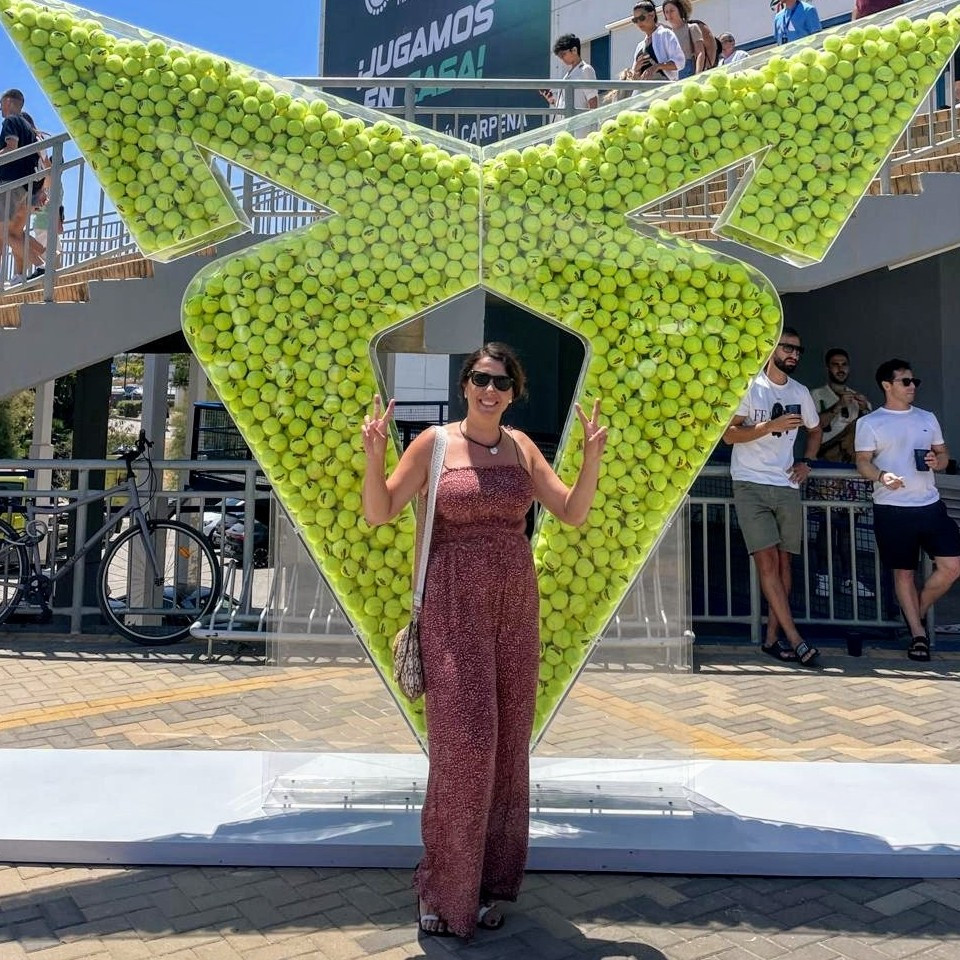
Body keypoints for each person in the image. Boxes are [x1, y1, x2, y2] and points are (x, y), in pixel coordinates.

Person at [362, 343, 606, 939]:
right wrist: (373, 455)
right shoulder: (434, 445)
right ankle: (441, 888)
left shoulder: (521, 448)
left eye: (500, 382)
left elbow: (571, 512)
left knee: (506, 749)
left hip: (514, 608)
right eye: (479, 379)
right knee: (465, 750)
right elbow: (380, 510)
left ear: (513, 392)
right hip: (452, 609)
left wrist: (592, 458)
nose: (488, 390)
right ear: (465, 385)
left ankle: (488, 882)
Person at [723, 328, 822, 666]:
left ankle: (771, 639)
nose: (794, 354)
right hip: (749, 483)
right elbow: (729, 435)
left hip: (786, 484)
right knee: (766, 561)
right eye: (787, 347)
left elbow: (815, 429)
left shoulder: (800, 391)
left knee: (784, 563)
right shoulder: (751, 387)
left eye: (798, 350)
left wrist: (807, 461)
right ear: (771, 349)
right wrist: (768, 426)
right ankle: (795, 639)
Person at [855, 359, 960, 661]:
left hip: (930, 504)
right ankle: (917, 634)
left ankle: (917, 611)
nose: (912, 386)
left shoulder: (927, 417)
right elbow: (862, 461)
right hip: (892, 508)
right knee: (903, 573)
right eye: (905, 381)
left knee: (953, 566)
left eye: (915, 381)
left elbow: (943, 455)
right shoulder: (870, 422)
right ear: (887, 386)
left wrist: (937, 462)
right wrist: (881, 476)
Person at [0, 88, 43, 283]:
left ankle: (41, 265)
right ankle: (35, 267)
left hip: (11, 183)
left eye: (1, 104)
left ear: (8, 102)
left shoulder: (11, 121)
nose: (1, 109)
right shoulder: (27, 126)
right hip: (25, 185)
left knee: (5, 234)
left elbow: (11, 147)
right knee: (11, 233)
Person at [811, 348, 872, 464]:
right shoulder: (816, 395)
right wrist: (838, 406)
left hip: (853, 460)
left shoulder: (857, 398)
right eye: (835, 364)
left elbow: (870, 432)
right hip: (825, 454)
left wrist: (864, 409)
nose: (840, 369)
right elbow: (813, 427)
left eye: (844, 364)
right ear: (828, 368)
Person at [540, 34, 598, 114]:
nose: (562, 58)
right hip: (566, 120)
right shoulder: (567, 75)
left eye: (563, 54)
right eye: (560, 56)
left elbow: (592, 99)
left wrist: (592, 120)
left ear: (574, 50)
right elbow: (564, 105)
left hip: (578, 120)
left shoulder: (585, 69)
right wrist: (552, 100)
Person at [631, 1, 685, 83]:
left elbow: (679, 62)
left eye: (641, 18)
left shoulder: (665, 34)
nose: (638, 22)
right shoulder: (640, 46)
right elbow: (634, 78)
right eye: (635, 20)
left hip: (665, 86)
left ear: (652, 15)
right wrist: (636, 69)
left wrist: (657, 66)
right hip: (644, 89)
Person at [661, 0, 707, 78]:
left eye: (672, 10)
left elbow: (700, 53)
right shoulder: (667, 34)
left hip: (689, 69)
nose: (669, 14)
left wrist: (698, 73)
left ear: (680, 10)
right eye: (666, 12)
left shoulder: (691, 28)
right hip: (673, 72)